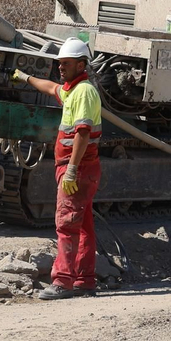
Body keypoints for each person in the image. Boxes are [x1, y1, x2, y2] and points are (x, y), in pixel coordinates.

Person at [12, 36, 102, 298]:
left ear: (81, 64)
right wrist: (24, 77)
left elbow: (83, 133)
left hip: (78, 169)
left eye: (66, 63)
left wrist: (72, 169)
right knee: (83, 226)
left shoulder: (84, 92)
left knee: (66, 224)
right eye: (59, 62)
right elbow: (51, 88)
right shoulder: (71, 89)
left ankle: (62, 281)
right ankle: (85, 281)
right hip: (79, 167)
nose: (60, 67)